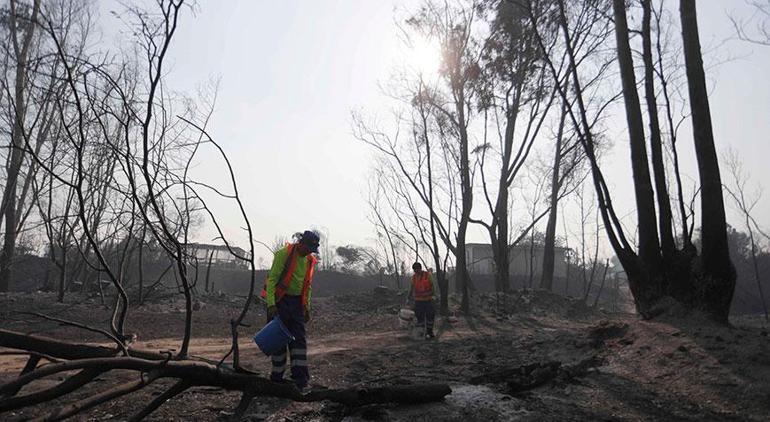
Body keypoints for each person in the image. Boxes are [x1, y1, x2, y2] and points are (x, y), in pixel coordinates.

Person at [261, 230, 320, 391]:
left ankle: (300, 380)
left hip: (296, 304)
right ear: (301, 243)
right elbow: (272, 279)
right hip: (280, 301)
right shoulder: (283, 254)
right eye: (308, 248)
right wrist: (271, 304)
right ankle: (277, 378)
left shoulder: (309, 260)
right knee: (278, 340)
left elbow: (307, 286)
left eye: (312, 250)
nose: (309, 252)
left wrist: (306, 307)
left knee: (299, 342)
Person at [409, 262, 436, 339]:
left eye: (417, 270)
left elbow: (433, 286)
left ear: (420, 268)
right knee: (420, 318)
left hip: (428, 300)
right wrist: (408, 298)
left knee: (430, 317)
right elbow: (411, 289)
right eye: (414, 270)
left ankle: (430, 332)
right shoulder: (413, 278)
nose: (416, 272)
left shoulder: (428, 275)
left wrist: (434, 296)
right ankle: (422, 333)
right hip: (418, 301)